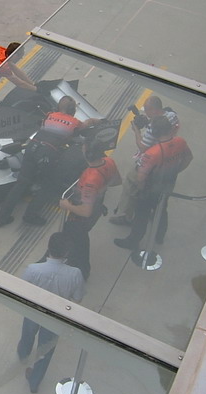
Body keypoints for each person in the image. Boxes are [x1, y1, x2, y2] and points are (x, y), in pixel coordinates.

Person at [0, 96, 98, 228]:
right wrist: (96, 121)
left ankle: (1, 218)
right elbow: (86, 126)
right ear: (73, 110)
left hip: (32, 147)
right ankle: (30, 216)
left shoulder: (50, 115)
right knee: (49, 185)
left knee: (21, 183)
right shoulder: (74, 122)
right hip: (47, 153)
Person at [17, 232, 85, 394]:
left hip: (34, 311)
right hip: (55, 318)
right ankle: (35, 382)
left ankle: (23, 354)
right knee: (45, 350)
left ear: (48, 247)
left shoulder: (33, 269)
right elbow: (78, 298)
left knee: (27, 334)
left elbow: (21, 288)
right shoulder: (75, 273)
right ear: (67, 252)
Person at [114, 116, 193, 251]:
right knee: (161, 209)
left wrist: (141, 189)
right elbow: (188, 158)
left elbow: (141, 177)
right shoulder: (180, 142)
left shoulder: (152, 153)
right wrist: (176, 171)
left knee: (141, 215)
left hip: (150, 190)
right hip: (168, 184)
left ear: (155, 133)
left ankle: (133, 241)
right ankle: (159, 235)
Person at [110, 96, 180, 226]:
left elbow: (142, 147)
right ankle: (154, 215)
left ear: (154, 110)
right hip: (164, 162)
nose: (146, 113)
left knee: (130, 184)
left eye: (147, 110)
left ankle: (125, 215)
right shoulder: (171, 115)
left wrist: (136, 131)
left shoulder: (153, 128)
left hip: (149, 162)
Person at [58, 136, 121, 279]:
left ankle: (81, 272)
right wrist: (100, 190)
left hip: (80, 218)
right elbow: (116, 181)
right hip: (97, 207)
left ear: (88, 154)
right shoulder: (109, 161)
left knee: (78, 245)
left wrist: (67, 205)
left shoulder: (90, 180)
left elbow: (86, 212)